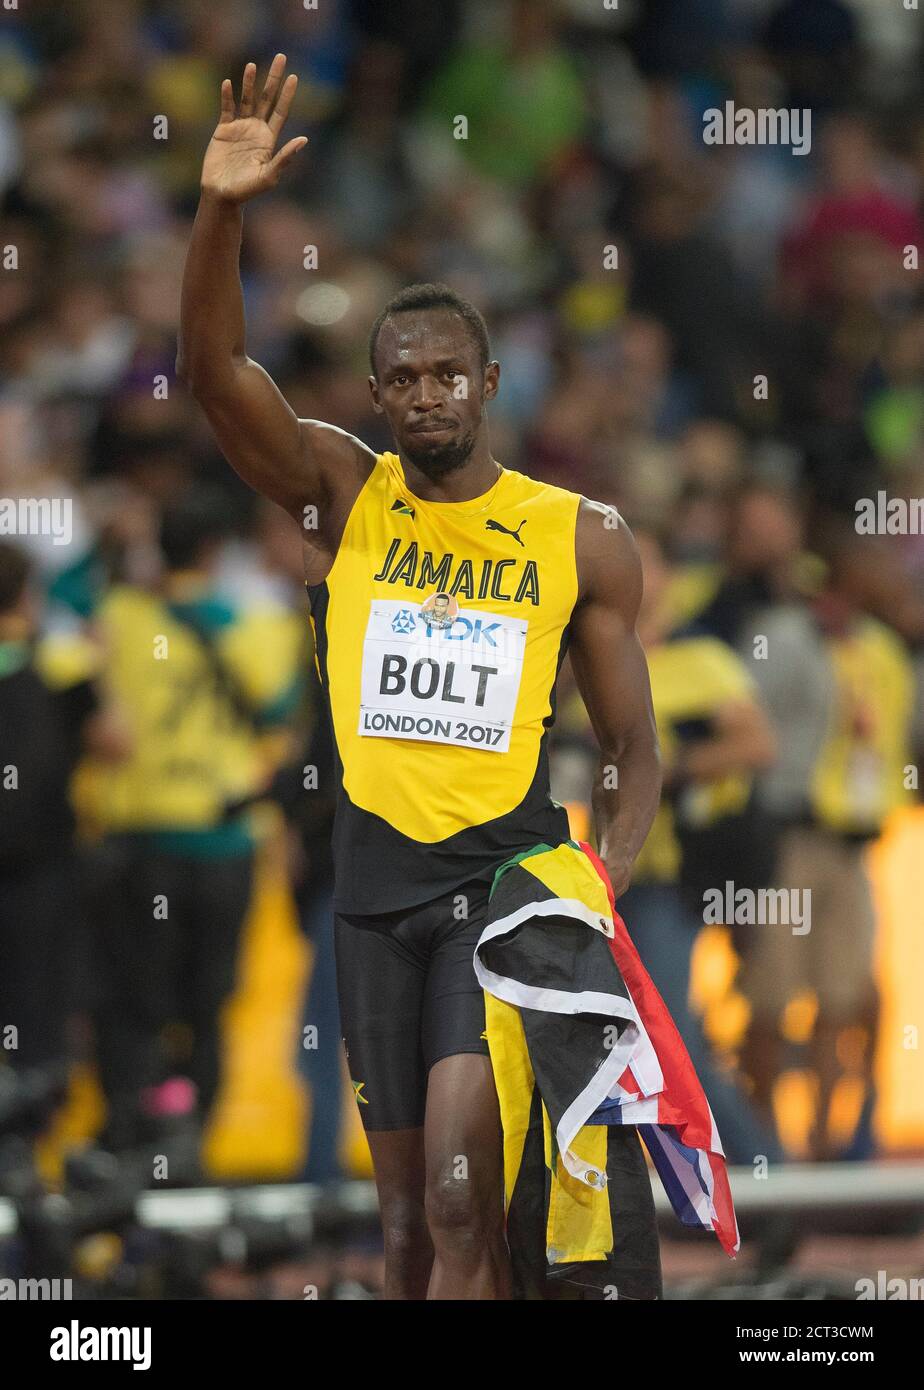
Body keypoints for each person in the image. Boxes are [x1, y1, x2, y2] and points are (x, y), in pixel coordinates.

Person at [177, 55, 662, 1301]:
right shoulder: (342, 491)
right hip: (368, 895)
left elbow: (632, 743)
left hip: (496, 893)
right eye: (402, 378)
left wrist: (605, 876)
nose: (426, 395)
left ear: (490, 385)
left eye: (449, 374)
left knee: (459, 1192)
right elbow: (216, 377)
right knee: (403, 1225)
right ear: (380, 393)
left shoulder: (580, 534)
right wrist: (221, 211)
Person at [84, 488, 302, 1159]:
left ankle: (132, 1134)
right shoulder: (261, 627)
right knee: (207, 1006)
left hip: (138, 840)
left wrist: (114, 551)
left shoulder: (119, 615)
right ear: (216, 552)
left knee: (132, 1002)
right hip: (224, 841)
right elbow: (284, 713)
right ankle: (189, 1141)